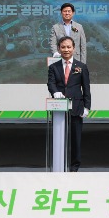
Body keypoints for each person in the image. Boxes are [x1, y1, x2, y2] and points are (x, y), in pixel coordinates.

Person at [47, 36, 91, 172]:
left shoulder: (81, 67)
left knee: (75, 139)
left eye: (68, 47)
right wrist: (55, 92)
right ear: (59, 49)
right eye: (63, 47)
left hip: (76, 107)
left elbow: (86, 88)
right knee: (59, 137)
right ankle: (58, 164)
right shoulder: (53, 67)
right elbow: (51, 83)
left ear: (74, 48)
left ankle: (74, 167)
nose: (66, 50)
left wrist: (87, 107)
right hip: (59, 108)